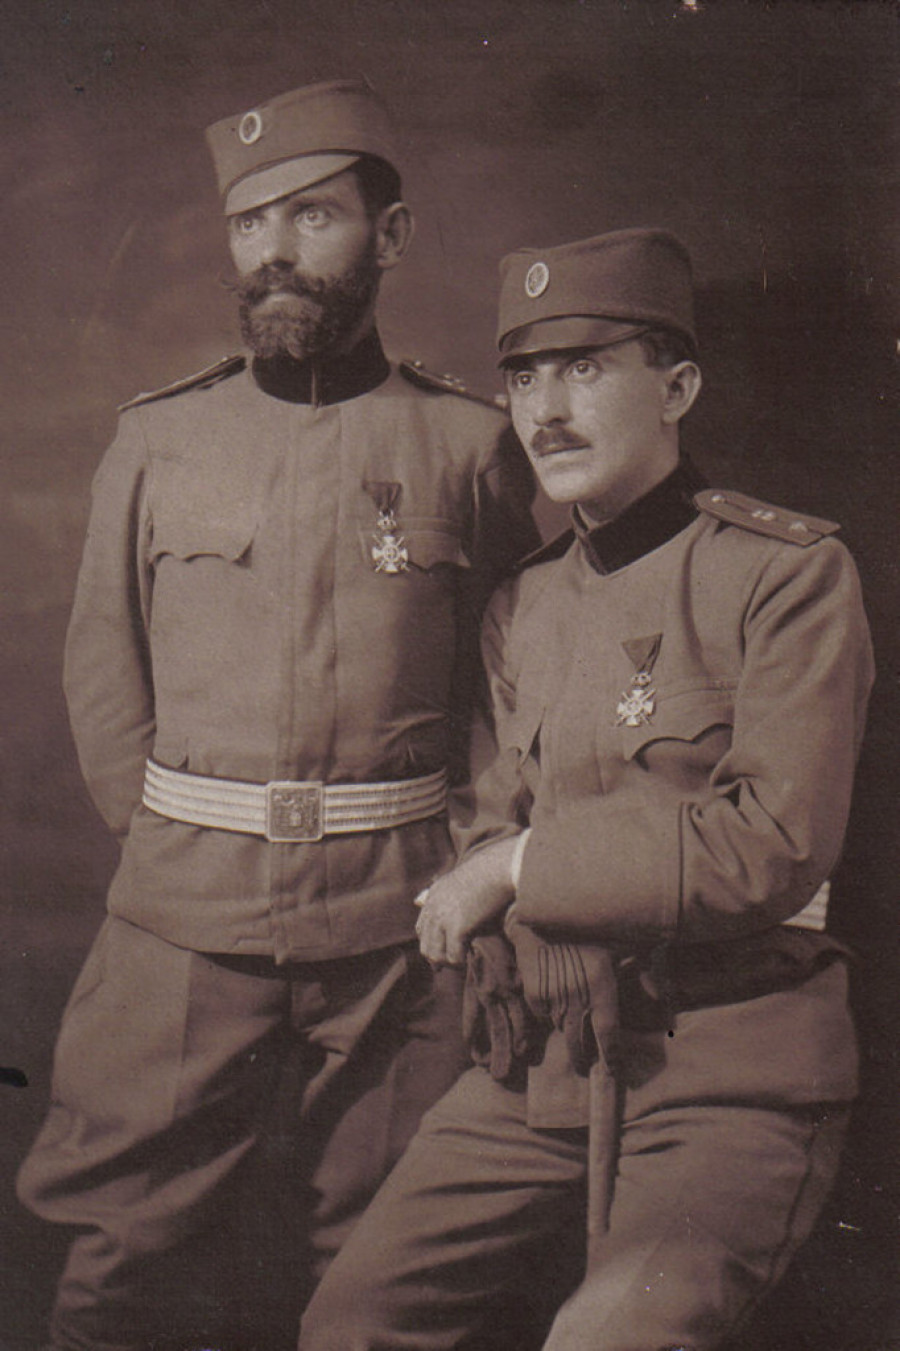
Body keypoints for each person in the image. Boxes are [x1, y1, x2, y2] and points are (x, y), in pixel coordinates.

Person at [17, 78, 538, 1351]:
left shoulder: (468, 446)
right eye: (251, 224)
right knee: (124, 1258)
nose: (275, 252)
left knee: (386, 1263)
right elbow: (104, 674)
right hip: (184, 921)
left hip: (400, 929)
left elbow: (512, 689)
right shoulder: (159, 441)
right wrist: (176, 846)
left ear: (390, 235)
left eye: (312, 216)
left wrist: (474, 862)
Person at [295, 227, 875, 1351]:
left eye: (586, 369)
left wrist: (523, 870)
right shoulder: (525, 603)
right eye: (523, 377)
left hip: (730, 1066)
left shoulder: (787, 575)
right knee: (349, 1323)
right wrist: (506, 878)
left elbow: (770, 844)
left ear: (678, 388)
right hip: (548, 1062)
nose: (545, 410)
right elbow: (491, 817)